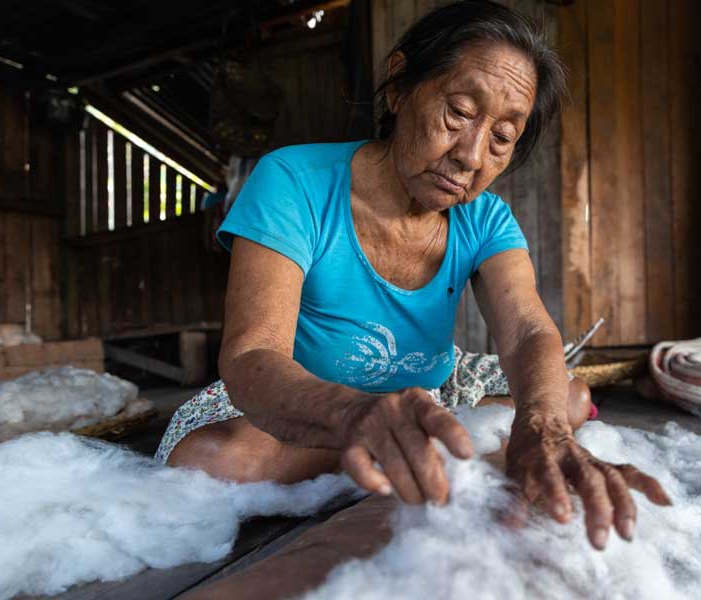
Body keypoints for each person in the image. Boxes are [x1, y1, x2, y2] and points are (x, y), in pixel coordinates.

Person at [157, 0, 670, 551]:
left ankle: (407, 443)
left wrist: (541, 427)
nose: (471, 156)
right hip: (305, 403)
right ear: (400, 85)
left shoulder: (485, 217)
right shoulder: (294, 181)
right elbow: (252, 356)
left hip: (432, 389)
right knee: (213, 461)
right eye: (459, 112)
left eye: (502, 137)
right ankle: (414, 444)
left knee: (562, 399)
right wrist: (354, 413)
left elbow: (527, 331)